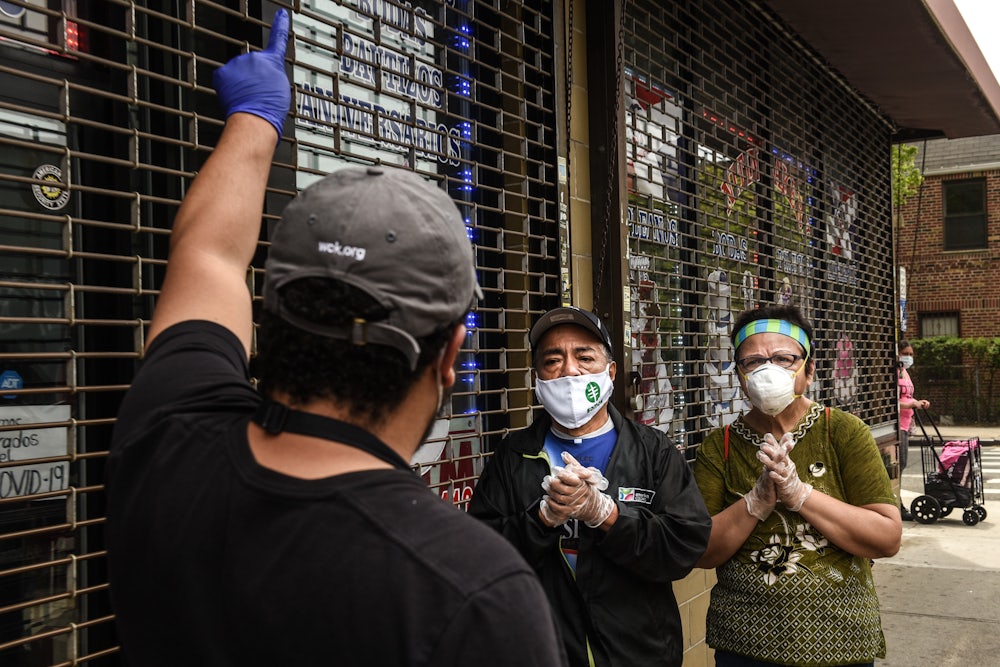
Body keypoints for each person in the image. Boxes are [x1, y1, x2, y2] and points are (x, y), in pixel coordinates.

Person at [105, 10, 567, 666]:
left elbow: (208, 252)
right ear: (450, 358)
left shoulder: (169, 432)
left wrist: (255, 117)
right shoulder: (473, 592)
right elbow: (210, 256)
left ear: (272, 318)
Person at [468, 306, 713, 667]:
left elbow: (685, 545)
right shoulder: (514, 455)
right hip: (542, 651)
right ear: (537, 377)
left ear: (611, 371)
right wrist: (542, 518)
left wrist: (607, 514)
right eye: (552, 360)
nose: (569, 370)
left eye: (584, 357)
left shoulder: (652, 451)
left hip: (639, 654)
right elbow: (480, 555)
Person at [692, 305, 901, 667]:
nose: (767, 370)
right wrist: (756, 501)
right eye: (752, 362)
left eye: (783, 359)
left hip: (841, 638)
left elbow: (886, 537)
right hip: (745, 641)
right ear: (740, 376)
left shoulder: (843, 431)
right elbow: (701, 550)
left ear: (809, 369)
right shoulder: (719, 445)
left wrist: (800, 494)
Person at [897, 339, 930, 521]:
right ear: (898, 353)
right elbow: (895, 400)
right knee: (899, 465)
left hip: (906, 424)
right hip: (897, 425)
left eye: (911, 354)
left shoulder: (905, 372)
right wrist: (912, 403)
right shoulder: (893, 372)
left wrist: (919, 402)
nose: (909, 357)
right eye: (905, 354)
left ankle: (897, 503)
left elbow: (908, 396)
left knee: (902, 465)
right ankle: (897, 505)